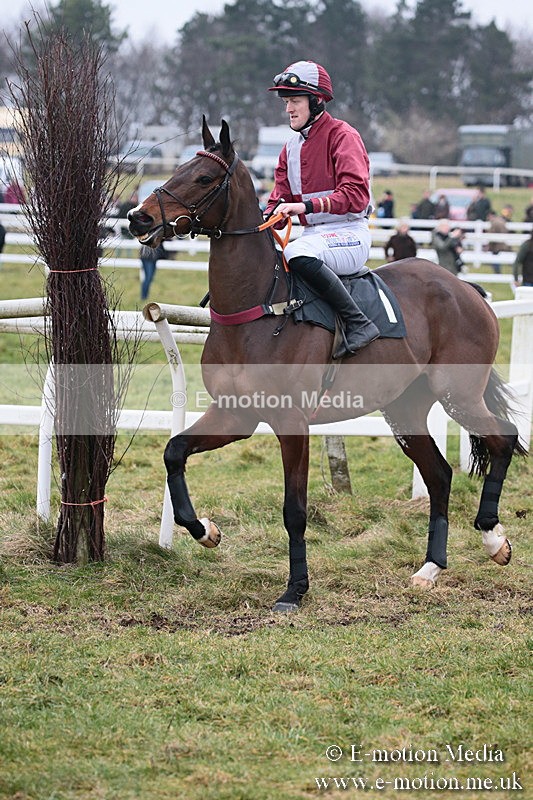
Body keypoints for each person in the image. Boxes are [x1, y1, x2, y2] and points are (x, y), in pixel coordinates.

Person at [264, 60, 379, 358]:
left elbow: (356, 196)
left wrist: (303, 206)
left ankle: (358, 323)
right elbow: (278, 200)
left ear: (316, 101)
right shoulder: (289, 148)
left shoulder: (344, 136)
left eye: (295, 101)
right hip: (313, 236)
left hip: (349, 234)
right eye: (286, 101)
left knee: (296, 253)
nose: (288, 108)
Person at [485, 209, 509, 274]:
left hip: (496, 245)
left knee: (495, 260)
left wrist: (488, 246)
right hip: (502, 244)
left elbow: (491, 236)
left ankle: (497, 273)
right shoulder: (501, 220)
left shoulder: (494, 222)